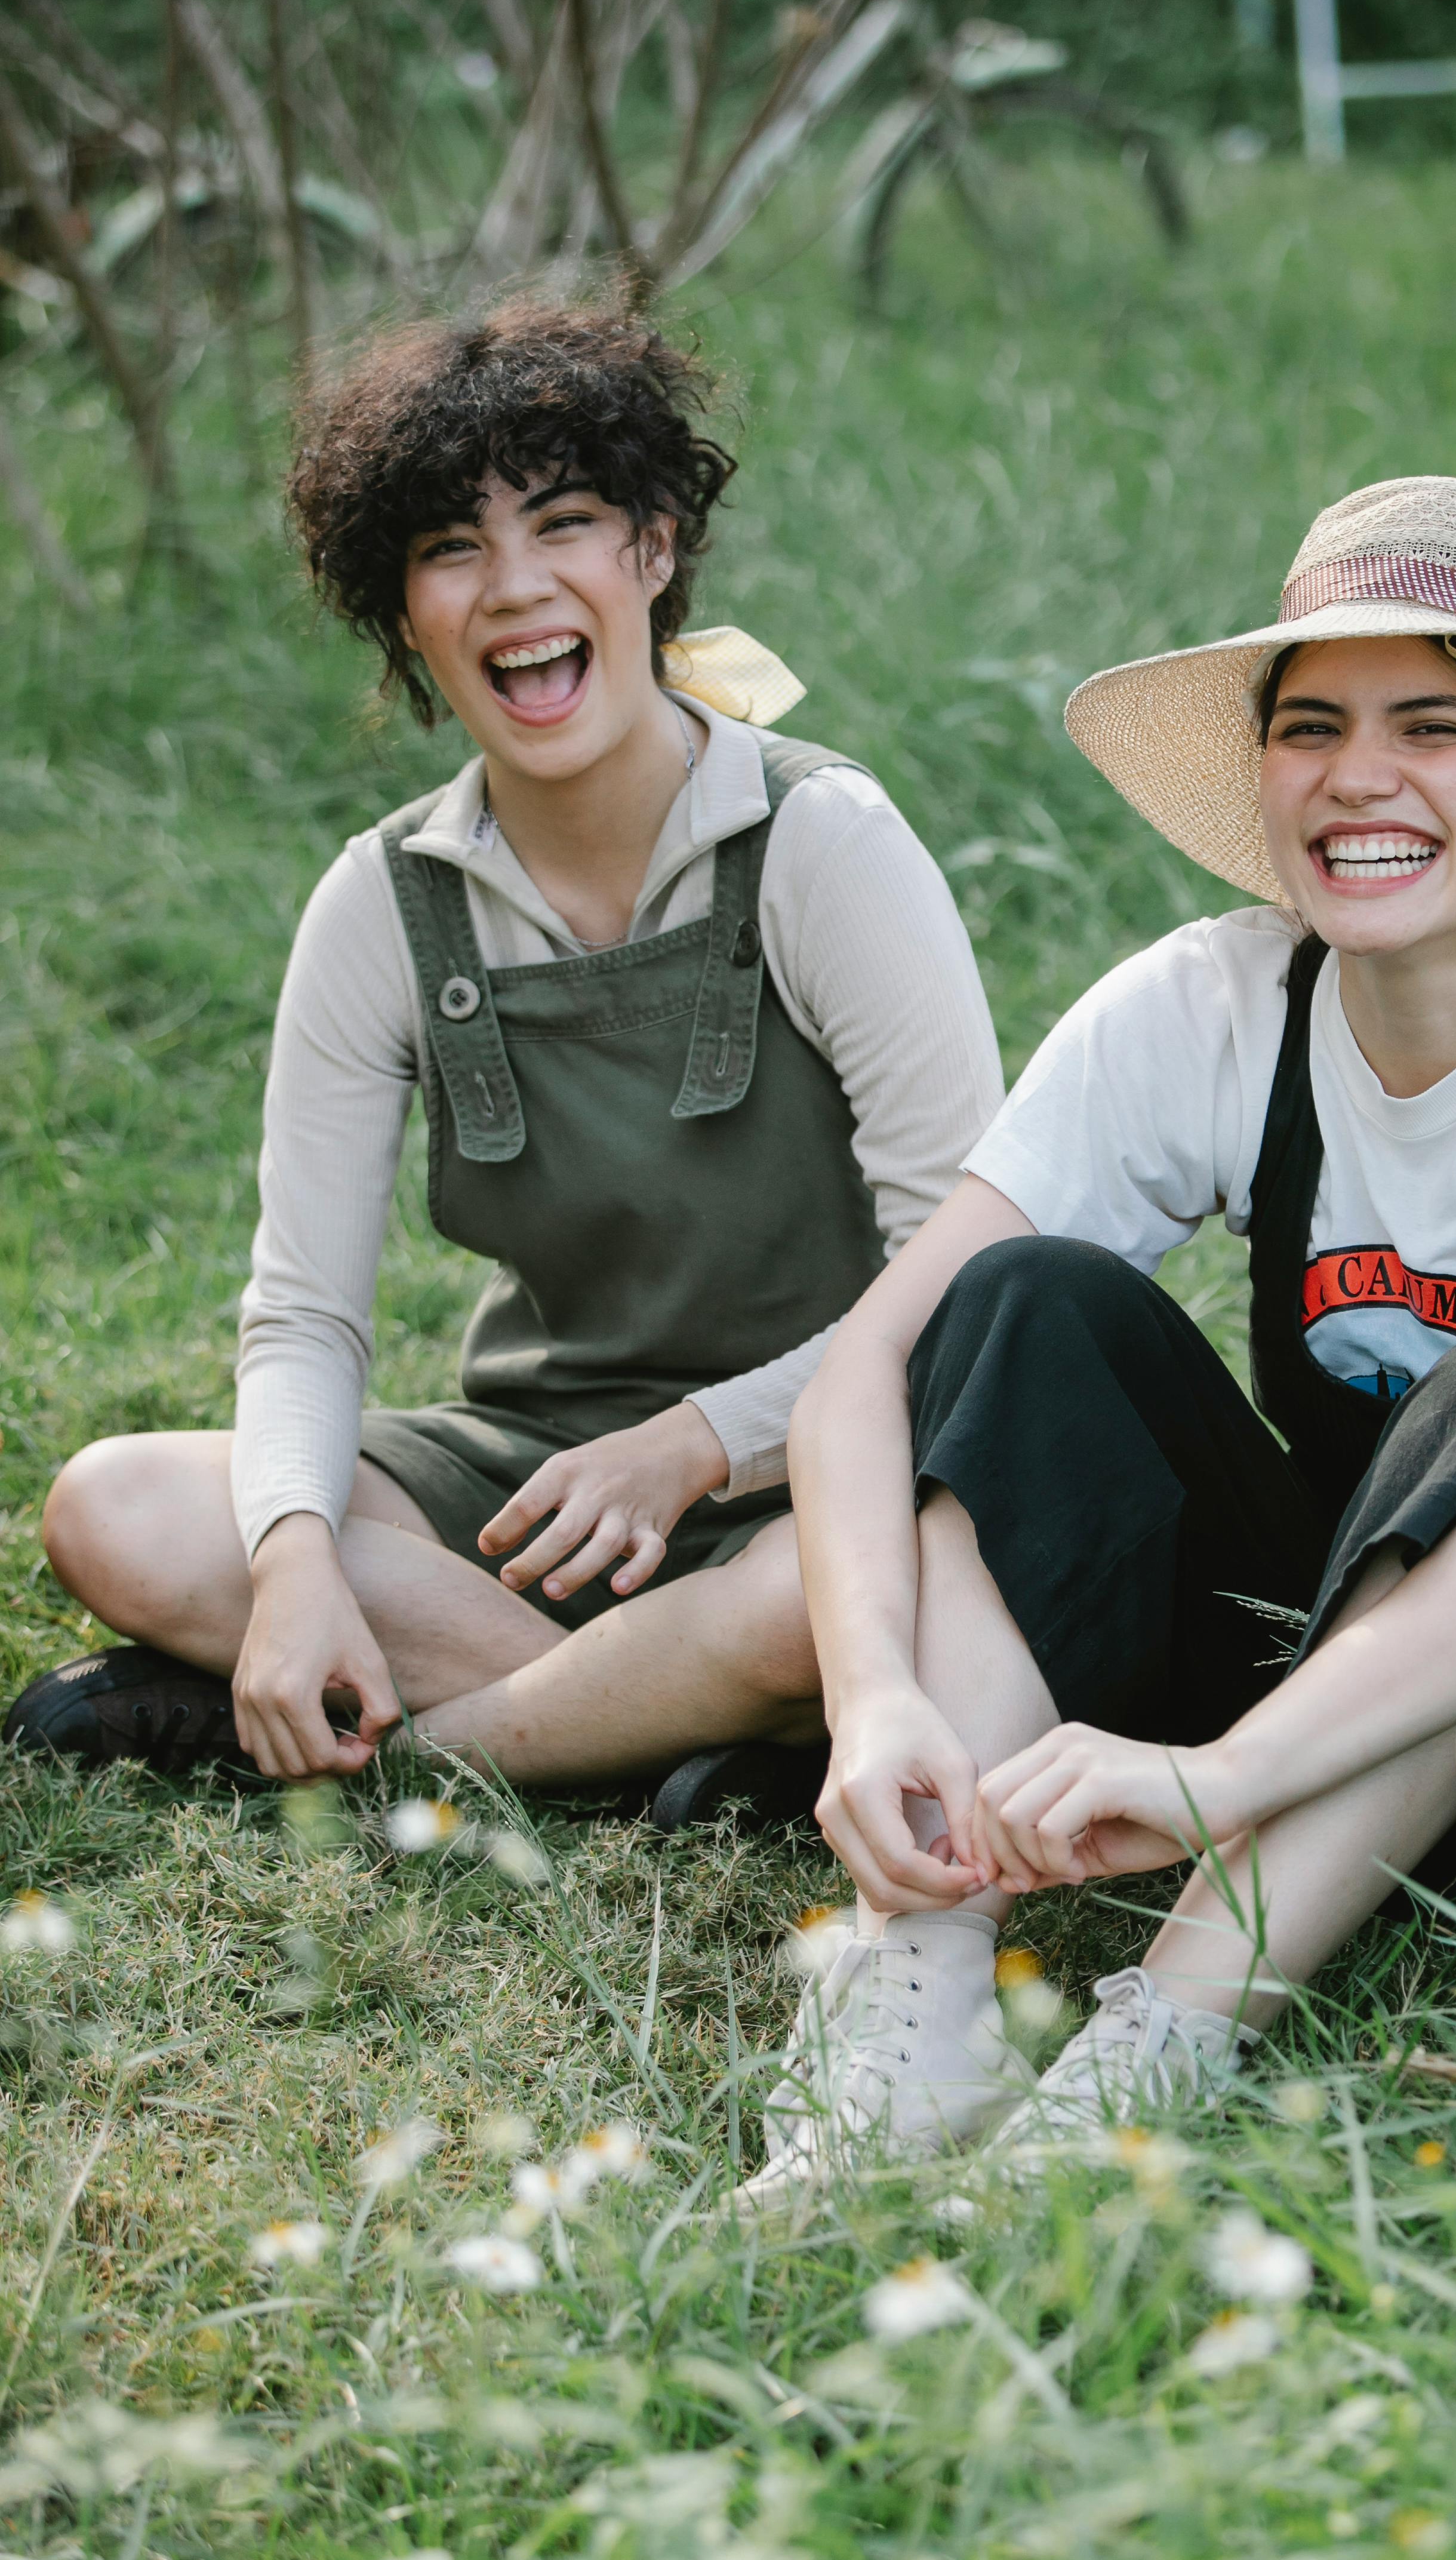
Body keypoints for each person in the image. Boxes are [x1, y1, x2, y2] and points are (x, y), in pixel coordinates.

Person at [750, 473, 1456, 2202]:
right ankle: (920, 2000)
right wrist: (871, 1705)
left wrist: (1220, 1776)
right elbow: (871, 1366)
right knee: (1022, 1304)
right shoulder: (1214, 1007)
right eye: (1310, 725)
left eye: (1436, 726)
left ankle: (1149, 2050)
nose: (1358, 775)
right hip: (1344, 1674)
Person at [4, 302, 1002, 1817]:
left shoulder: (820, 844)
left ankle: (434, 1750)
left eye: (568, 524)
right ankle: (663, 1740)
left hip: (817, 1462)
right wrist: (287, 1563)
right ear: (402, 610)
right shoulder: (383, 901)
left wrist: (696, 1446)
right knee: (124, 1508)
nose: (516, 589)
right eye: (452, 549)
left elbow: (965, 1284)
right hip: (526, 1481)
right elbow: (305, 1320)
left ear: (656, 553)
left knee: (838, 1597)